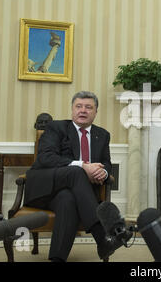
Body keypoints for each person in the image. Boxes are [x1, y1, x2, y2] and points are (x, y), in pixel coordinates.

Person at [24, 91, 128, 262]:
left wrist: (104, 172)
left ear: (95, 112)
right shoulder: (56, 128)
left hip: (76, 194)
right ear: (72, 110)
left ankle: (57, 258)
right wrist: (83, 166)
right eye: (78, 106)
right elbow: (45, 158)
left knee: (67, 199)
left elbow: (106, 163)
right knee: (76, 171)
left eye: (88, 107)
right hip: (45, 189)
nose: (83, 110)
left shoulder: (102, 135)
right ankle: (101, 236)